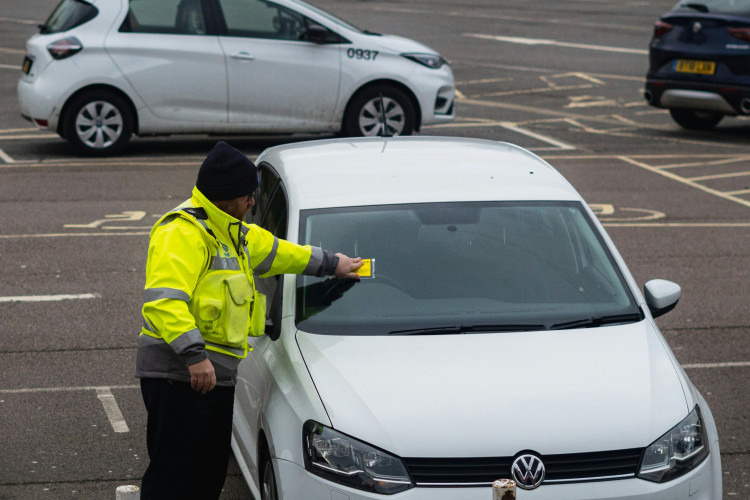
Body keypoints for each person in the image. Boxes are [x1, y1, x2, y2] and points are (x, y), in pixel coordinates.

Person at [135, 141, 362, 499]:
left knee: (207, 476)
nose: (253, 202)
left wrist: (334, 264)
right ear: (226, 197)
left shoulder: (235, 231)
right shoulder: (182, 232)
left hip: (216, 377)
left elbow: (281, 253)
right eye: (247, 196)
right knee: (172, 479)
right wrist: (195, 357)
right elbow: (165, 302)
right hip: (179, 376)